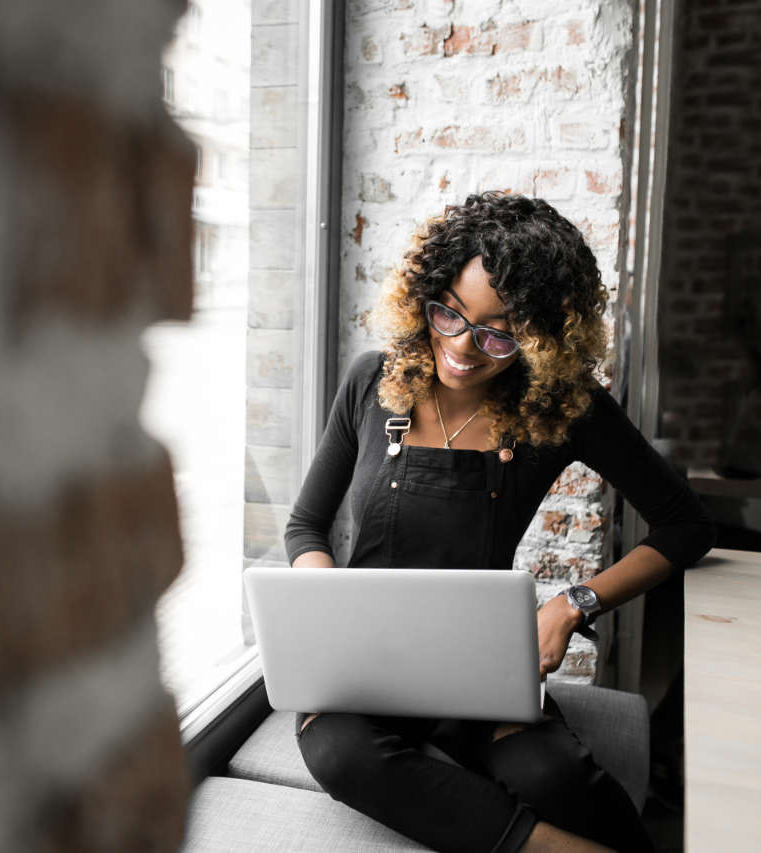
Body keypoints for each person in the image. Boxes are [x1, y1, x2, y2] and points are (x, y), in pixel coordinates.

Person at [283, 192, 715, 853]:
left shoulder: (563, 407)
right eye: (448, 312)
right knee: (340, 754)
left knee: (554, 774)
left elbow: (685, 524)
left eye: (497, 331)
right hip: (364, 667)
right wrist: (326, 608)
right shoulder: (372, 383)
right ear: (425, 295)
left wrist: (572, 604)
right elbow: (306, 526)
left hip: (478, 671)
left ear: (541, 334)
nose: (461, 345)